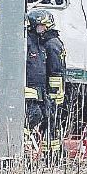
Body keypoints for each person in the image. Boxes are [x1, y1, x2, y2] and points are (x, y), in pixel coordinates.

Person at [26, 8, 66, 162]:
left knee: (51, 121)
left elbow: (55, 71)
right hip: (50, 90)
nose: (36, 30)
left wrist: (54, 95)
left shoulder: (51, 44)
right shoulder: (48, 41)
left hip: (52, 91)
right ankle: (53, 155)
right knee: (50, 122)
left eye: (38, 26)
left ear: (46, 25)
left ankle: (54, 156)